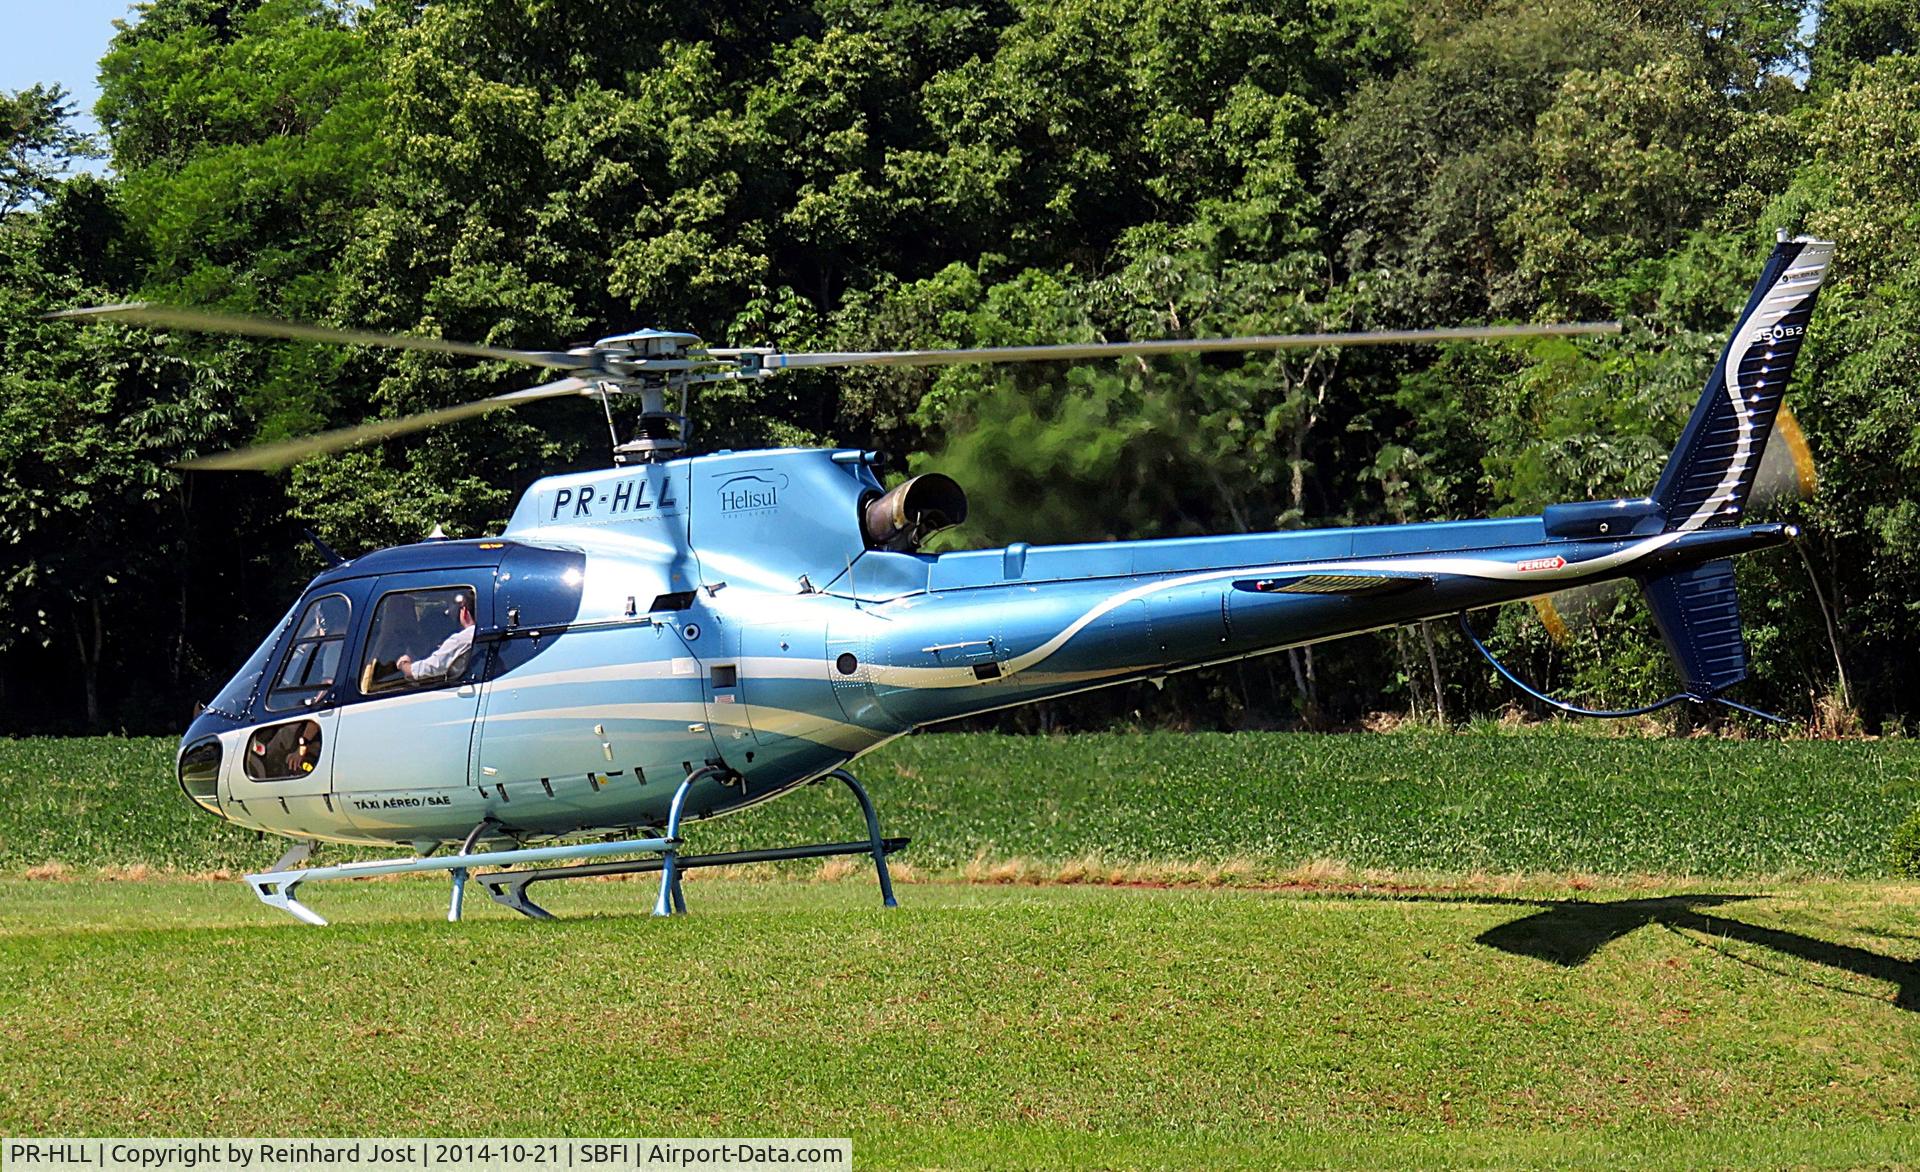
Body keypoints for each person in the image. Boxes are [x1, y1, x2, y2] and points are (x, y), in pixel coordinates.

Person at [397, 592, 475, 684]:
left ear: (464, 611)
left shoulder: (462, 639)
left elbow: (420, 671)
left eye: (450, 606)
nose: (448, 612)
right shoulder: (474, 635)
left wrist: (403, 663)